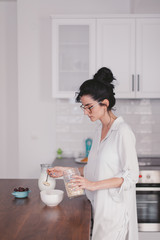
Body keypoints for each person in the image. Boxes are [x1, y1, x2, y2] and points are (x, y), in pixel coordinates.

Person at [48, 67, 139, 240]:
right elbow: (94, 169)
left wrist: (92, 185)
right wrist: (65, 171)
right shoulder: (100, 130)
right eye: (84, 107)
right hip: (100, 209)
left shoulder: (122, 131)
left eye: (89, 107)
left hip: (115, 213)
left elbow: (131, 177)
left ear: (104, 103)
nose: (85, 112)